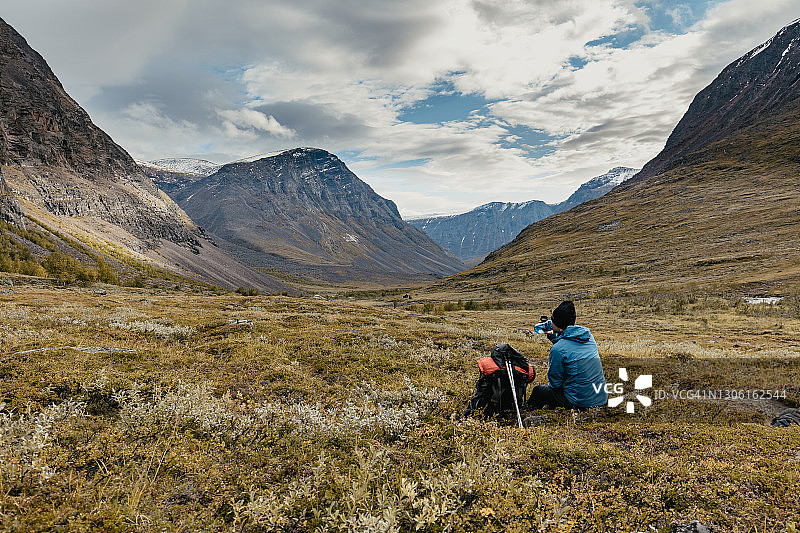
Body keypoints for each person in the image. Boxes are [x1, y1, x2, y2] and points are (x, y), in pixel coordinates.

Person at [526, 301, 607, 411]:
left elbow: (555, 384)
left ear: (558, 327)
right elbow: (569, 348)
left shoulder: (557, 349)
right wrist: (555, 338)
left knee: (539, 391)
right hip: (600, 398)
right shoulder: (589, 337)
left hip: (580, 402)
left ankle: (524, 414)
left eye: (552, 321)